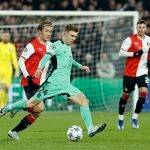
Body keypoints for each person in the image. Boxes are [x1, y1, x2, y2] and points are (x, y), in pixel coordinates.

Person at [1, 24, 107, 138]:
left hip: (66, 85)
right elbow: (46, 57)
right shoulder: (55, 46)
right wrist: (38, 68)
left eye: (75, 36)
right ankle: (9, 107)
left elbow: (69, 60)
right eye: (72, 36)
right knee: (31, 104)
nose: (73, 38)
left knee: (84, 101)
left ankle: (91, 129)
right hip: (52, 84)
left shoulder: (67, 46)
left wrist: (80, 66)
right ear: (64, 34)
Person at [6, 21, 53, 140]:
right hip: (30, 81)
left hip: (41, 82)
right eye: (46, 31)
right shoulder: (32, 45)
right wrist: (27, 76)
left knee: (36, 113)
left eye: (51, 31)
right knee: (39, 108)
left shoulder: (51, 46)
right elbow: (21, 61)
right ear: (39, 32)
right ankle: (10, 106)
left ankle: (13, 131)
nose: (49, 33)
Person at [117, 20, 150, 130]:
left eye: (143, 27)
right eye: (139, 27)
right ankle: (121, 118)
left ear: (146, 28)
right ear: (136, 28)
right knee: (125, 95)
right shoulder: (130, 39)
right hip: (129, 73)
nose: (141, 29)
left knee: (144, 93)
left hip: (142, 72)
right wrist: (134, 53)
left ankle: (134, 117)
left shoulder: (149, 40)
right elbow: (121, 52)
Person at [0, 31, 19, 109]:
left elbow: (14, 59)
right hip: (0, 70)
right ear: (2, 37)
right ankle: (1, 105)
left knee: (7, 89)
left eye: (7, 36)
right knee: (2, 87)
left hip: (9, 71)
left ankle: (3, 105)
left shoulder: (11, 46)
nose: (6, 38)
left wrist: (17, 70)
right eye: (4, 36)